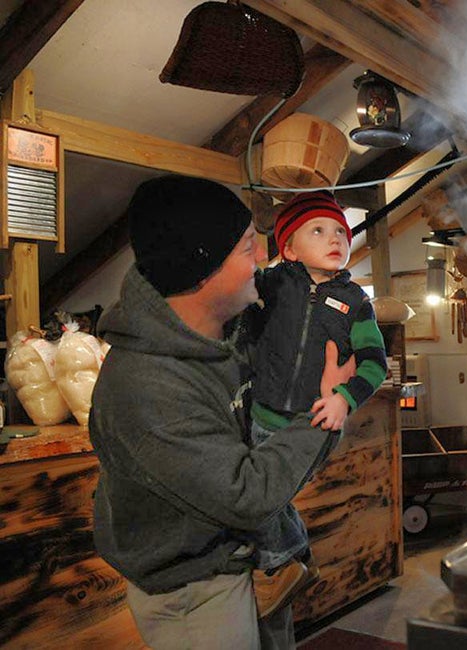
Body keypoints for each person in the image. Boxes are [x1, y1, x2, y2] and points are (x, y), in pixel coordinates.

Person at [89, 175, 351, 650]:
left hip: (255, 558)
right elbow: (246, 493)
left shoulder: (234, 329)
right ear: (203, 268)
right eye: (248, 246)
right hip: (194, 590)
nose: (262, 257)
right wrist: (329, 409)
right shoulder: (145, 387)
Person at [245, 190, 387, 615]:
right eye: (319, 231)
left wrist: (345, 399)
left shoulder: (357, 303)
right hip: (262, 414)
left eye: (341, 232)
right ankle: (294, 559)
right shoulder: (271, 284)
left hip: (315, 422)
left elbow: (375, 364)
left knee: (264, 496)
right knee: (265, 496)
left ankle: (279, 566)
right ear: (289, 248)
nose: (336, 239)